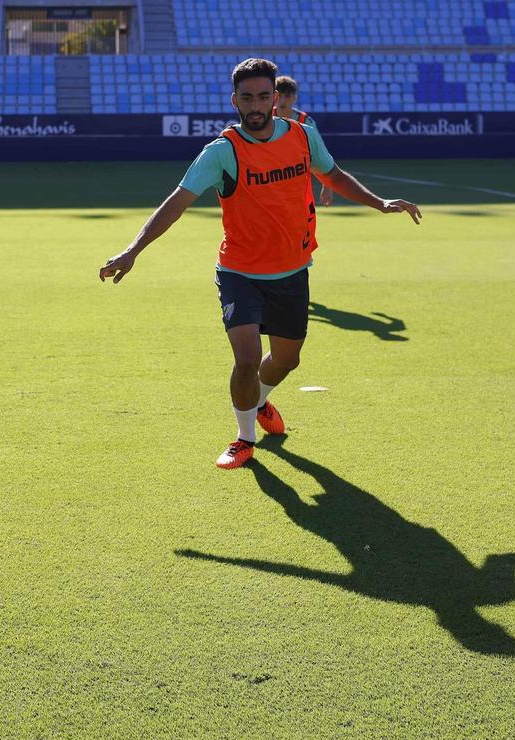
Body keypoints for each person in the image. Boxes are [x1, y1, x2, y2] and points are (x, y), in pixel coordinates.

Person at [98, 58, 420, 470]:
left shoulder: (303, 137)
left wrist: (378, 202)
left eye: (263, 96)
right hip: (240, 273)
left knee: (287, 359)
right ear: (235, 100)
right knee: (247, 358)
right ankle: (243, 438)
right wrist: (132, 250)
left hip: (292, 270)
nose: (255, 105)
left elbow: (332, 174)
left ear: (275, 99)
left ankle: (260, 401)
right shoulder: (221, 151)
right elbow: (176, 203)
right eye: (246, 97)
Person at [273, 75, 332, 206]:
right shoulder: (264, 119)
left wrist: (327, 185)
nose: (282, 100)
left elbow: (321, 152)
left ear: (295, 98)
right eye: (279, 95)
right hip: (268, 178)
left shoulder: (306, 122)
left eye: (287, 96)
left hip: (297, 179)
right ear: (274, 96)